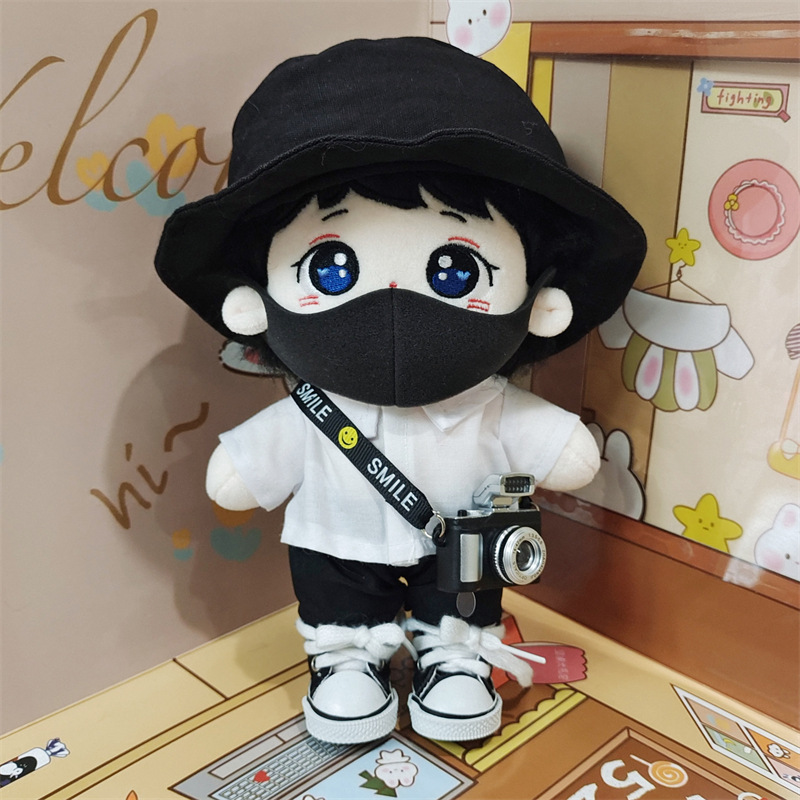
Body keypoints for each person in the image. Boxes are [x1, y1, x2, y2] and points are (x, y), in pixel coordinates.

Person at [155, 37, 646, 744]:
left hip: (460, 549)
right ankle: (346, 656)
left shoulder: (491, 406)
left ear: (540, 300)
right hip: (338, 540)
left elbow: (569, 456)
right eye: (330, 268)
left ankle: (454, 655)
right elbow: (234, 479)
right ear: (254, 300)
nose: (393, 308)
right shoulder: (312, 415)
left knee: (463, 591)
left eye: (455, 271)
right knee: (337, 592)